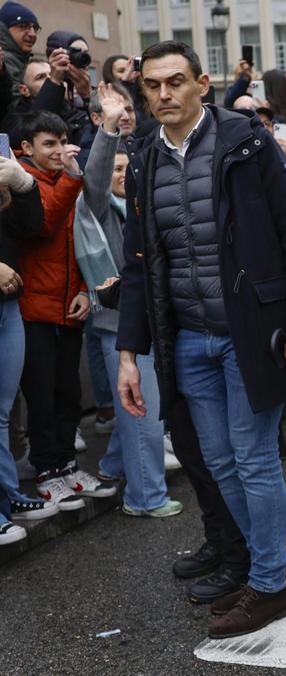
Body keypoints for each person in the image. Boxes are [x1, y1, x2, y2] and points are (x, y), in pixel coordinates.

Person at [116, 41, 286, 638]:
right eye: (152, 86)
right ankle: (269, 570)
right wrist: (129, 354)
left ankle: (267, 584)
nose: (163, 95)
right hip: (186, 338)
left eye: (175, 82)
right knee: (218, 463)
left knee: (254, 458)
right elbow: (139, 264)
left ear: (202, 84)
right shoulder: (145, 156)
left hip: (249, 332)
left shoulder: (247, 140)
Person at [77, 82, 183, 518]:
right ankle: (145, 498)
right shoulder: (99, 208)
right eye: (115, 169)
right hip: (117, 323)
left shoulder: (142, 208)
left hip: (149, 318)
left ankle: (114, 466)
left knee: (135, 407)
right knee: (144, 412)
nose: (120, 174)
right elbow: (96, 180)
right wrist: (109, 128)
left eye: (127, 168)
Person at [15, 111, 112, 508]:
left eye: (62, 141)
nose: (58, 150)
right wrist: (73, 177)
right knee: (41, 395)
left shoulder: (63, 181)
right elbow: (44, 225)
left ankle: (67, 466)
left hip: (70, 304)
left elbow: (84, 246)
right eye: (48, 144)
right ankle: (46, 471)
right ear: (27, 148)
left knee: (68, 392)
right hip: (34, 309)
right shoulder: (21, 182)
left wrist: (88, 291)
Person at [0, 152, 59, 544]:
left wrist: (21, 185)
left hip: (8, 304)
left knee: (2, 413)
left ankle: (6, 496)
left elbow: (32, 225)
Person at [0, 1, 38, 95]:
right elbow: (15, 102)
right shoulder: (4, 62)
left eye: (35, 28)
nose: (32, 34)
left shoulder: (22, 60)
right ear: (4, 30)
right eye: (23, 26)